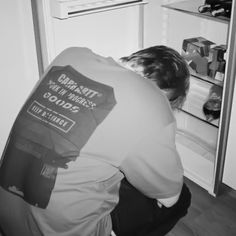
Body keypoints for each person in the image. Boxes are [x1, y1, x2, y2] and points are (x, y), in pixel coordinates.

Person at [0, 45, 190, 236]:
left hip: (7, 217)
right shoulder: (152, 103)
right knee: (181, 198)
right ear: (169, 97)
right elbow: (169, 199)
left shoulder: (72, 55)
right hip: (61, 231)